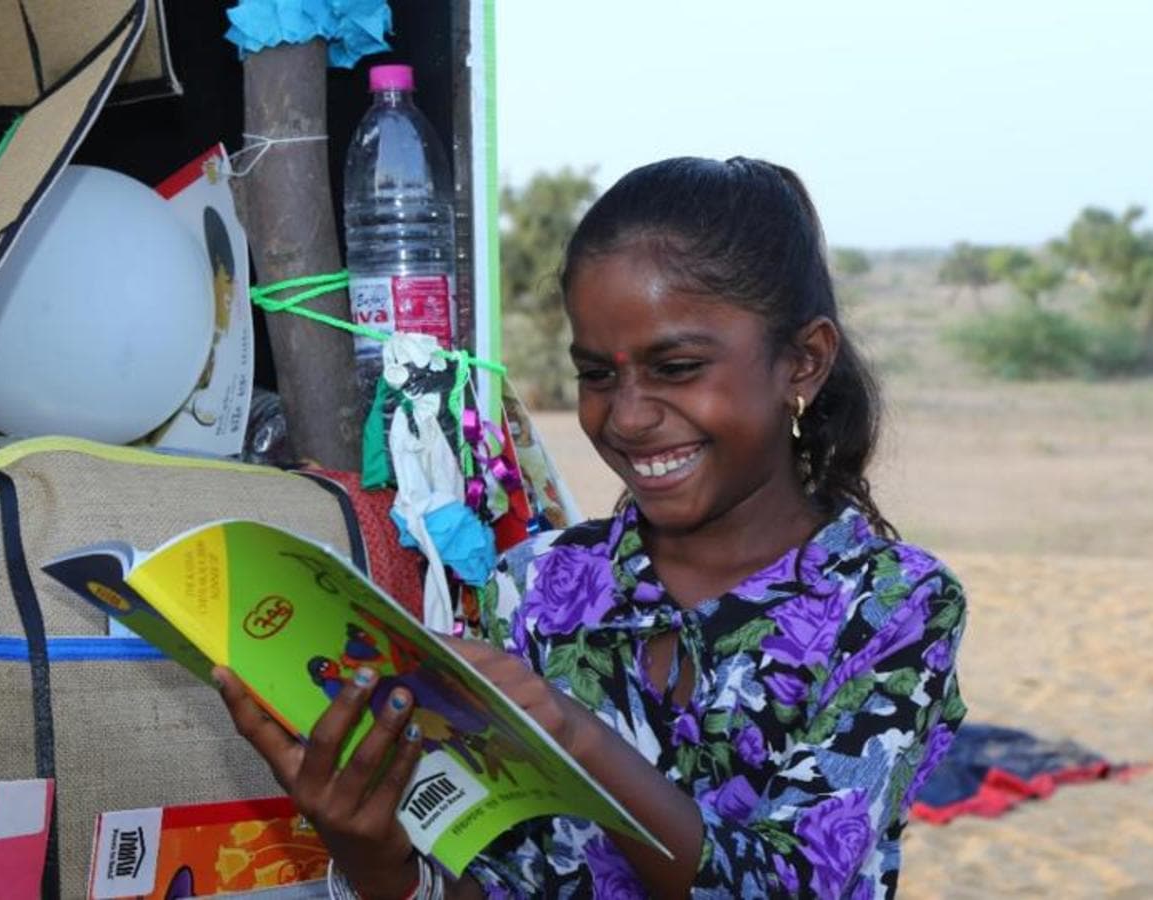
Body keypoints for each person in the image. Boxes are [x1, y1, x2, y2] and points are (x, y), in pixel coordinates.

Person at [215, 156, 968, 899]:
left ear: (803, 363)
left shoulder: (890, 606)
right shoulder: (535, 587)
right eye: (598, 376)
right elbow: (500, 877)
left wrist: (573, 736)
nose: (628, 416)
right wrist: (381, 864)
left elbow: (793, 885)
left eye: (675, 367)